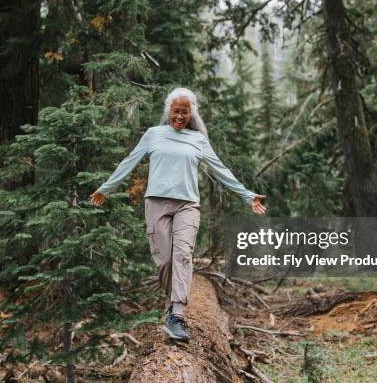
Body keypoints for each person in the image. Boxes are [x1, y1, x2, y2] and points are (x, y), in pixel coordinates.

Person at [90, 87, 265, 342]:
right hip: (157, 203)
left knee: (182, 254)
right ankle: (173, 305)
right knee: (164, 260)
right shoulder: (154, 135)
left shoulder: (198, 140)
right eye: (176, 111)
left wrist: (247, 195)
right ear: (168, 111)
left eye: (184, 112)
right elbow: (129, 161)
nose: (180, 116)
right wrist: (106, 188)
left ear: (191, 113)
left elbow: (221, 170)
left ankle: (177, 316)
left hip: (187, 206)